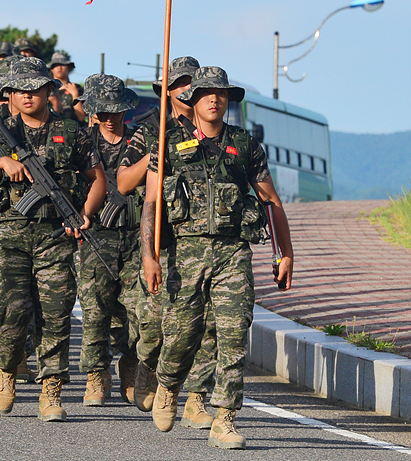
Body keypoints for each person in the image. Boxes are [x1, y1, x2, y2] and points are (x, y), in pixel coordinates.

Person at [141, 66, 294, 449]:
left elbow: (270, 201)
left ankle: (224, 419)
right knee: (180, 335)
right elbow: (151, 202)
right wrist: (150, 256)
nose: (214, 99)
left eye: (222, 93)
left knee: (233, 335)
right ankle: (168, 384)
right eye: (207, 92)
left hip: (232, 254)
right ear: (192, 99)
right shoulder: (168, 142)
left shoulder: (244, 145)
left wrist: (285, 253)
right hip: (184, 252)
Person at [0, 57, 105, 422]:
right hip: (10, 232)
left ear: (49, 91)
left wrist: (86, 214)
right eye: (20, 90)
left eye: (35, 89)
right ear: (9, 95)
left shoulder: (72, 132)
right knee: (11, 309)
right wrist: (0, 164)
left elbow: (97, 179)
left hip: (55, 235)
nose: (28, 96)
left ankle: (52, 389)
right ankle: (5, 370)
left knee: (56, 313)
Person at [117, 56, 220, 424]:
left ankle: (196, 396)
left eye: (192, 83)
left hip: (204, 243)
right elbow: (125, 182)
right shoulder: (151, 131)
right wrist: (159, 154)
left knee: (205, 323)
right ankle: (145, 364)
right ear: (167, 91)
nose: (187, 90)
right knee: (156, 324)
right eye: (179, 84)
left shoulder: (214, 130)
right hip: (163, 243)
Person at [74, 74, 140, 407]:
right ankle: (96, 376)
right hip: (96, 236)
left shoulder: (141, 142)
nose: (110, 118)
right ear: (94, 112)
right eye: (104, 111)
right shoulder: (83, 142)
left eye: (116, 111)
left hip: (135, 237)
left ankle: (130, 365)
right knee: (95, 310)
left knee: (137, 311)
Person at [47, 51, 85, 123]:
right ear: (51, 69)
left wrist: (75, 95)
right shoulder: (47, 89)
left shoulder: (77, 88)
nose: (59, 68)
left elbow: (81, 117)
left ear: (68, 67)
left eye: (63, 64)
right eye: (56, 65)